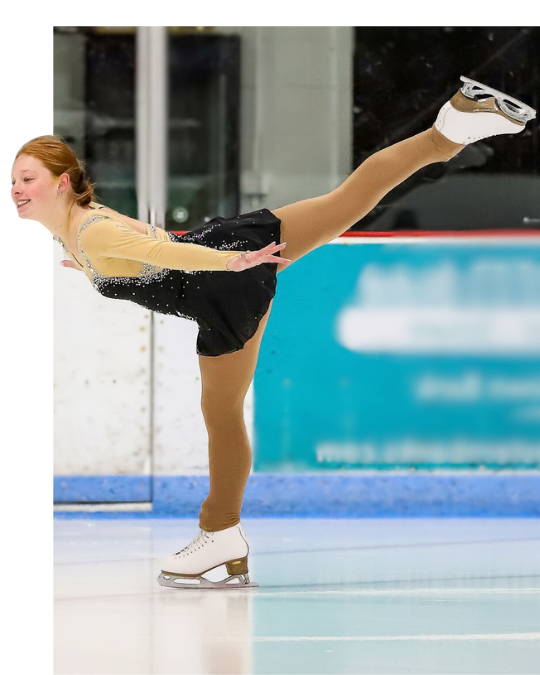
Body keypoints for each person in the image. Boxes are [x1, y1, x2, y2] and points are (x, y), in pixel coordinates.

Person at [22, 75, 535, 589]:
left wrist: (233, 263)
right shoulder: (81, 226)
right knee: (346, 202)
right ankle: (454, 127)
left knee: (220, 414)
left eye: (28, 179)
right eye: (13, 181)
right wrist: (101, 269)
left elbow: (161, 252)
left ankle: (220, 533)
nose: (17, 190)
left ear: (61, 183)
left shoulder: (90, 230)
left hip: (221, 288)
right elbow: (150, 238)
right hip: (222, 255)